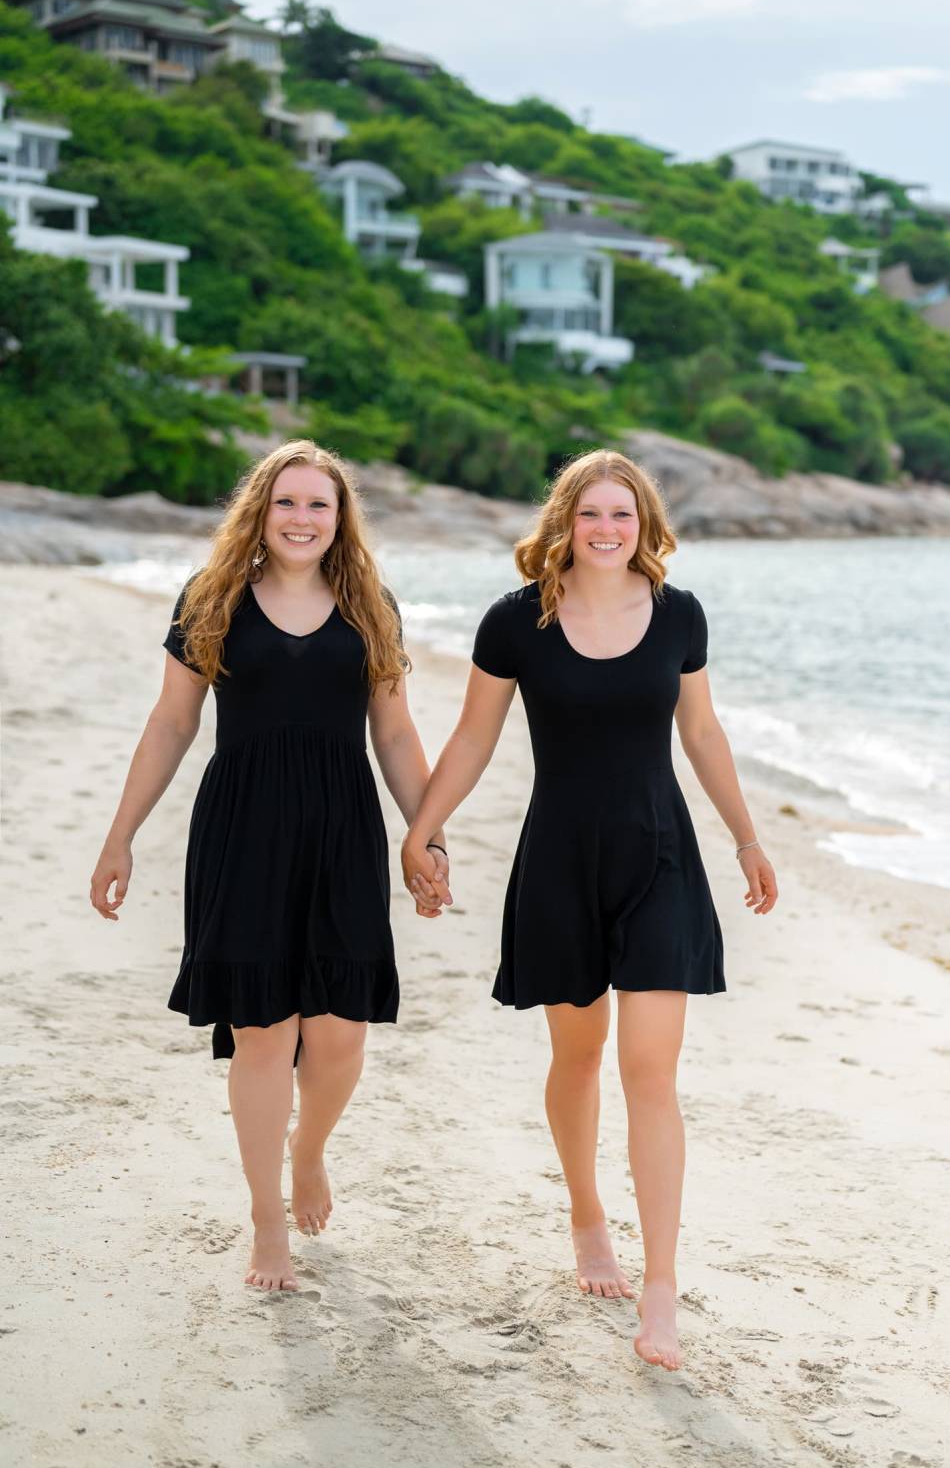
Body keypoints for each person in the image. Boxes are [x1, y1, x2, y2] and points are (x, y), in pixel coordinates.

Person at [402, 449, 776, 1371]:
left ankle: (662, 1288)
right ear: (564, 522)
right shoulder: (516, 620)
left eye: (623, 514)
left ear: (645, 525)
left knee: (651, 1070)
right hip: (562, 862)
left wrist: (747, 838)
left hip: (660, 858)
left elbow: (702, 731)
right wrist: (423, 830)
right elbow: (473, 736)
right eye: (591, 514)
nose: (607, 530)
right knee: (578, 1056)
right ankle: (586, 1216)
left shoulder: (679, 614)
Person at [90, 440, 450, 1293]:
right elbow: (172, 723)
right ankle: (266, 1220)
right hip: (242, 830)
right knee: (263, 1029)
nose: (301, 518)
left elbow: (395, 731)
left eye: (319, 504)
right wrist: (120, 835)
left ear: (340, 518)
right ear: (259, 510)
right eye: (286, 501)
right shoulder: (211, 597)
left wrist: (428, 833)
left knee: (341, 1031)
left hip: (342, 830)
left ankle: (308, 1150)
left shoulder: (370, 606)